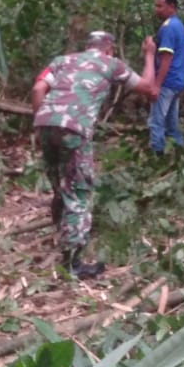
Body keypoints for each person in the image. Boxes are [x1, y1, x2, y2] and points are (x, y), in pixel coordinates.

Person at [32, 31, 158, 279]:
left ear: (87, 46)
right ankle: (72, 263)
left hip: (46, 122)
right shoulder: (111, 64)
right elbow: (148, 88)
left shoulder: (62, 61)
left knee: (60, 183)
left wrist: (38, 123)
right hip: (75, 128)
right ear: (109, 48)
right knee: (78, 191)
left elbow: (38, 88)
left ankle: (62, 231)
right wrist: (149, 55)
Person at [148, 0, 184, 155]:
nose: (157, 10)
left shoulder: (167, 28)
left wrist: (157, 85)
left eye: (160, 6)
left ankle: (157, 157)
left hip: (167, 83)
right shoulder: (179, 25)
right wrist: (181, 65)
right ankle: (180, 155)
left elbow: (166, 58)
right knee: (171, 124)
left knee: (156, 122)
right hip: (178, 81)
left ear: (171, 6)